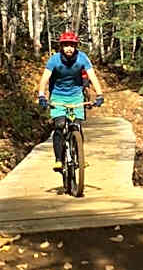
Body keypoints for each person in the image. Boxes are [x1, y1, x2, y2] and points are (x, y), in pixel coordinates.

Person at [37, 31, 104, 172]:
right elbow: (44, 79)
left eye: (72, 45)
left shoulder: (82, 58)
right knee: (60, 124)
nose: (69, 48)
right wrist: (42, 95)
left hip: (76, 96)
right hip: (58, 96)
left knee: (77, 126)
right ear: (61, 46)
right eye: (66, 45)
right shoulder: (54, 60)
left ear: (76, 46)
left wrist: (99, 94)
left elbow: (92, 76)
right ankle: (58, 159)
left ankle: (80, 156)